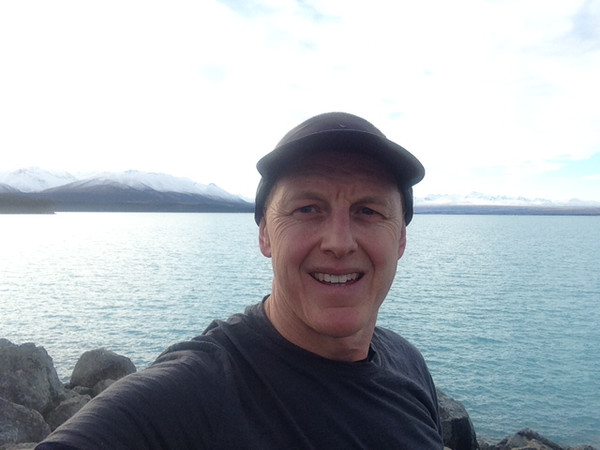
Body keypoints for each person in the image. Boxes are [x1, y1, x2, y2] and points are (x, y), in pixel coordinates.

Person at [37, 112, 444, 449]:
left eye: (368, 211)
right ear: (266, 234)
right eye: (307, 209)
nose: (339, 242)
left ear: (401, 239)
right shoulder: (193, 393)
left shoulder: (406, 363)